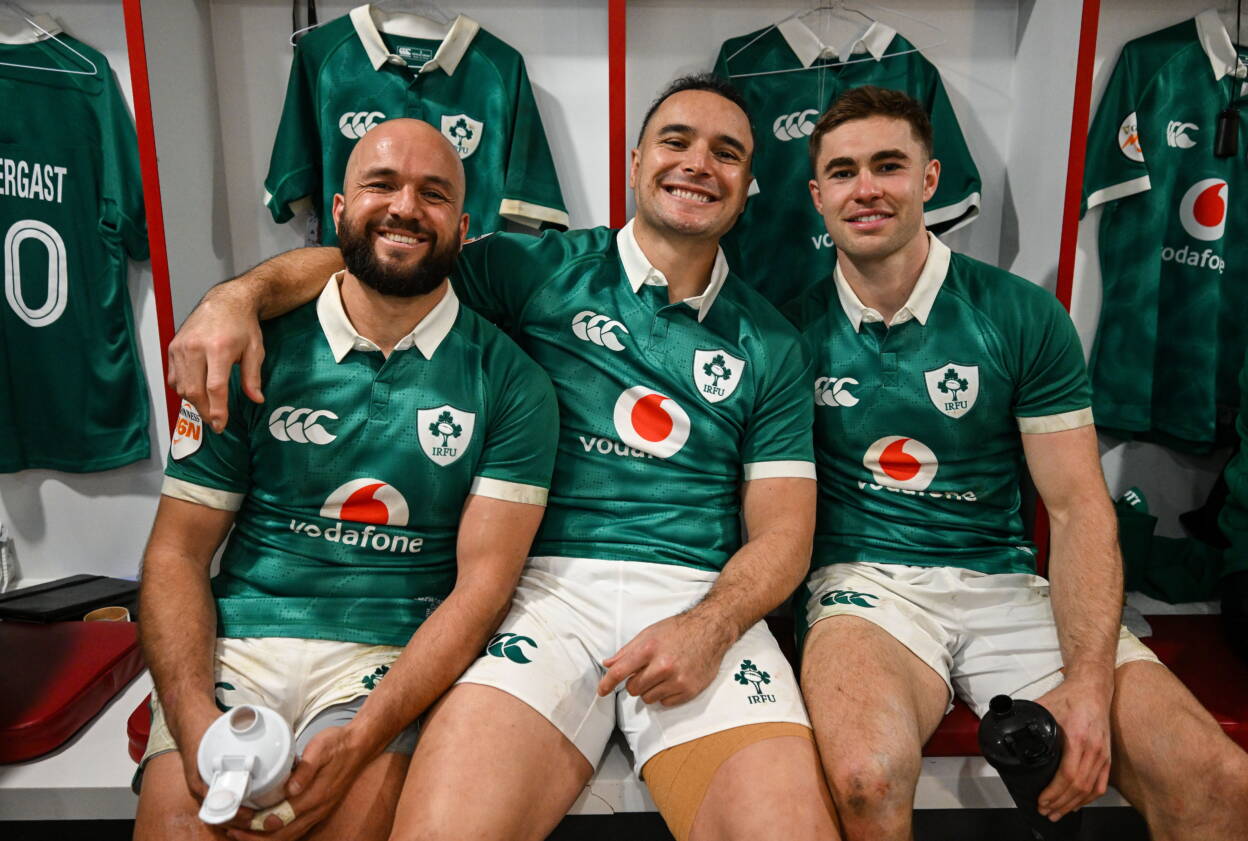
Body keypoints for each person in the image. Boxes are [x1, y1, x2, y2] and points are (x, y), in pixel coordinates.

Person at [162, 76, 839, 841]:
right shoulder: (533, 268)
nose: (698, 164)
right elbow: (383, 257)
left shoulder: (772, 340)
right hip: (544, 596)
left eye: (727, 153)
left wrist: (711, 627)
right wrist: (236, 298)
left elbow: (785, 536)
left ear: (749, 186)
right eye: (676, 141)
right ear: (634, 159)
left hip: (699, 599)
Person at [790, 85, 1248, 841]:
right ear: (816, 194)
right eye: (843, 171)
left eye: (888, 165)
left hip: (1006, 585)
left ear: (930, 178)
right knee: (865, 779)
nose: (865, 187)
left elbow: (1075, 508)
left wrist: (1089, 685)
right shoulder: (786, 328)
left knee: (1219, 781)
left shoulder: (1020, 314)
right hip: (865, 588)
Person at [133, 119, 559, 841]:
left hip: (391, 658)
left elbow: (482, 590)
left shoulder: (514, 383)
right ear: (337, 211)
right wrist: (190, 712)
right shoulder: (243, 350)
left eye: (432, 193)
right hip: (235, 642)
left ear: (462, 227)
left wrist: (363, 736)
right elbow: (175, 553)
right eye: (381, 184)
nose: (404, 207)